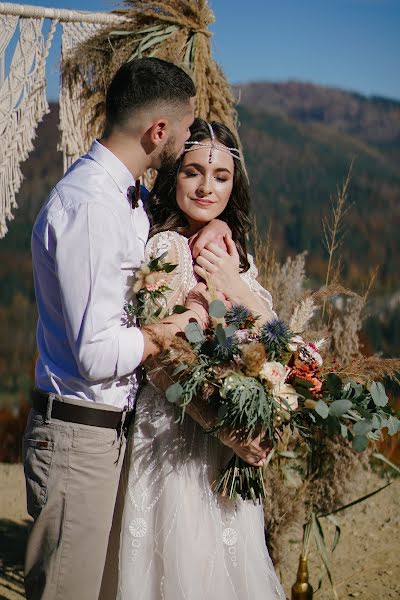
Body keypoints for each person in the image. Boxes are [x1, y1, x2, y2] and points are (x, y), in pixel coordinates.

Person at [23, 58, 268, 600]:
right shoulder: (90, 206)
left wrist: (217, 224)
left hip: (118, 434)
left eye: (219, 173)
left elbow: (175, 224)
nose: (185, 152)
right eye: (183, 140)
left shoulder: (126, 202)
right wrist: (173, 328)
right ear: (159, 132)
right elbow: (95, 353)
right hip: (84, 432)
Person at [118, 119, 286, 599]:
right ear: (173, 178)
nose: (206, 187)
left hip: (226, 435)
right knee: (184, 560)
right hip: (177, 426)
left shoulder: (235, 254)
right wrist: (231, 431)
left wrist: (234, 285)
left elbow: (275, 339)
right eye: (193, 172)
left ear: (235, 185)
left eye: (221, 177)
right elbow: (164, 357)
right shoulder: (165, 248)